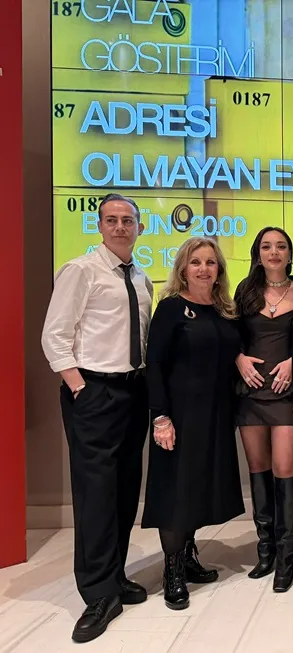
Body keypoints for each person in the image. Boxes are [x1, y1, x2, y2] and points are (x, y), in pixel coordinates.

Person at [41, 193, 152, 643]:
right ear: (100, 225)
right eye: (112, 219)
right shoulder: (80, 270)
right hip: (94, 391)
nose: (120, 226)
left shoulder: (141, 277)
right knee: (95, 495)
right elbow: (55, 335)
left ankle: (115, 575)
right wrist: (79, 387)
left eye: (128, 220)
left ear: (139, 227)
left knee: (124, 489)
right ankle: (97, 594)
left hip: (133, 390)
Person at [142, 237, 244, 610]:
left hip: (215, 414)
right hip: (179, 415)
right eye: (196, 262)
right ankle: (171, 571)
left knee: (199, 486)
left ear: (219, 270)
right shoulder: (170, 308)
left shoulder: (224, 310)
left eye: (210, 262)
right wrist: (161, 417)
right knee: (175, 490)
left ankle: (187, 556)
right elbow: (154, 364)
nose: (203, 269)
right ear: (183, 269)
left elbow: (230, 354)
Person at [233, 227, 293, 592]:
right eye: (266, 246)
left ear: (290, 254)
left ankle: (286, 557)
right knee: (258, 468)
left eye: (280, 246)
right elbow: (231, 336)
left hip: (287, 395)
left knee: (285, 468)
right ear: (257, 254)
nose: (273, 252)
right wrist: (239, 358)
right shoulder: (244, 291)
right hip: (250, 394)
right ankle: (266, 550)